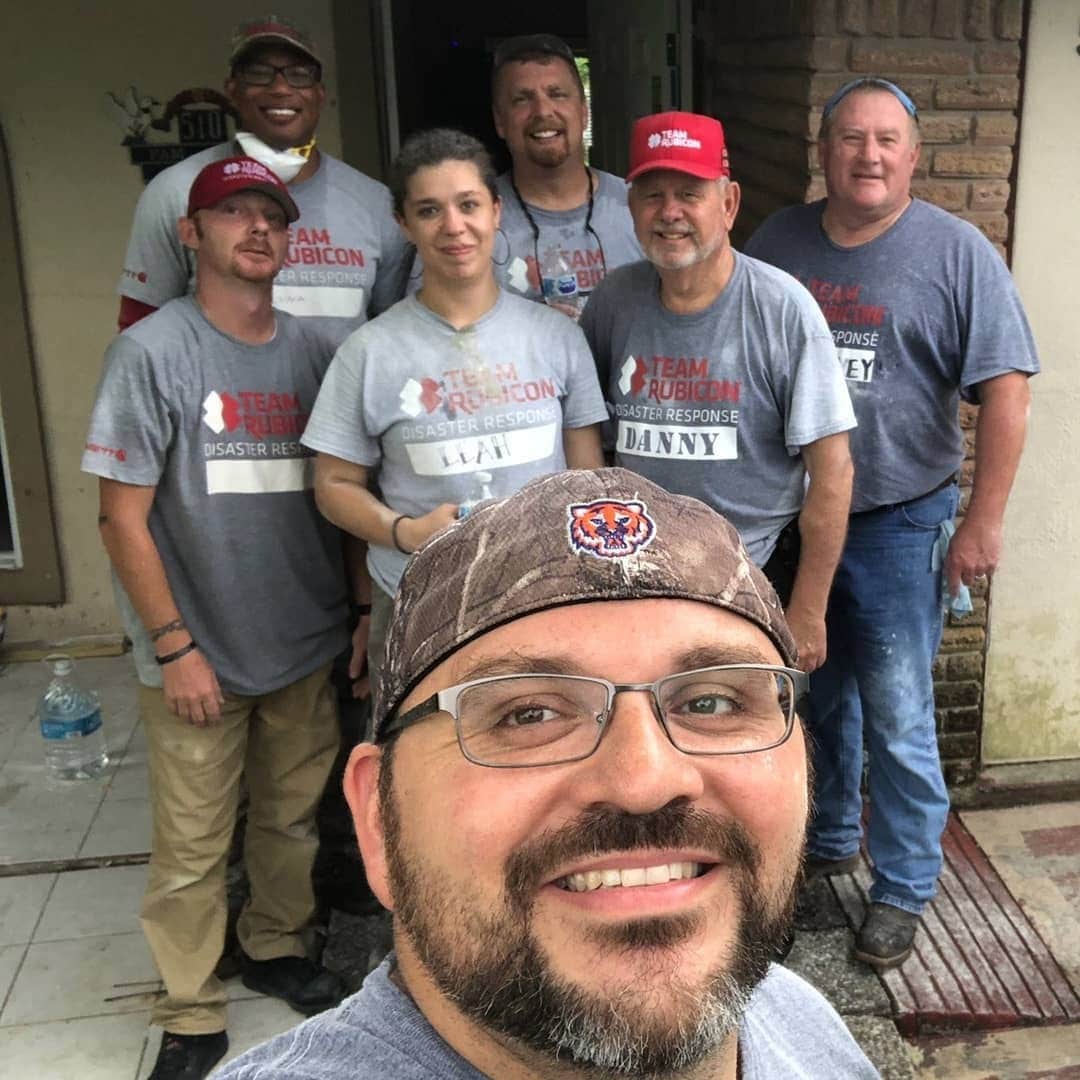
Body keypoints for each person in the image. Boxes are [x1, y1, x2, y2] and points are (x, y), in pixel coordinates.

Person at [213, 468, 879, 1079]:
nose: (643, 779)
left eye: (713, 703)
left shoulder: (796, 1018)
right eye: (527, 714)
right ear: (376, 818)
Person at [745, 77, 1039, 967]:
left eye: (886, 141)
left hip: (899, 524)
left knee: (901, 717)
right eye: (850, 139)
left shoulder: (957, 254)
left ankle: (905, 884)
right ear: (823, 149)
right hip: (791, 523)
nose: (868, 156)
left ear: (913, 155)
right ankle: (830, 838)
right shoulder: (776, 242)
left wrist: (982, 522)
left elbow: (1007, 394)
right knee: (814, 698)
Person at [84, 156, 353, 1080]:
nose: (256, 230)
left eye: (270, 216)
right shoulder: (153, 352)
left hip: (304, 639)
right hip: (196, 651)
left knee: (288, 822)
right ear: (190, 234)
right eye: (231, 214)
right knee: (194, 847)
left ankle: (274, 945)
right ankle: (191, 1008)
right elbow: (121, 517)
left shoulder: (317, 352)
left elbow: (343, 491)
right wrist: (172, 646)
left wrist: (355, 610)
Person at [302, 128, 607, 686]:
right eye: (429, 210)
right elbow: (333, 484)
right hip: (419, 601)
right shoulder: (370, 351)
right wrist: (403, 532)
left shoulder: (557, 338)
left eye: (468, 205)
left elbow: (587, 478)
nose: (453, 227)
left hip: (542, 600)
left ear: (495, 210)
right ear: (404, 224)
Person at [581, 110, 856, 673]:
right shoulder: (615, 302)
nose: (670, 212)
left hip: (754, 571)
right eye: (652, 195)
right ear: (630, 207)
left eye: (690, 193)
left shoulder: (783, 310)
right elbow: (589, 441)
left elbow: (833, 472)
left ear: (728, 204)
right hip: (634, 572)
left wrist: (807, 609)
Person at [117, 13, 410, 348]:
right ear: (232, 90)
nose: (281, 88)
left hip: (340, 400)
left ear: (319, 94)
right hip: (217, 399)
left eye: (299, 75)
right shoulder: (176, 192)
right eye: (259, 73)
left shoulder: (375, 203)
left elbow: (396, 335)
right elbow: (139, 327)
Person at [488, 33, 641, 316]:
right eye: (522, 99)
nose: (543, 110)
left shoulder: (639, 207)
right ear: (500, 121)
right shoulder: (473, 221)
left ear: (583, 112)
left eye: (557, 94)